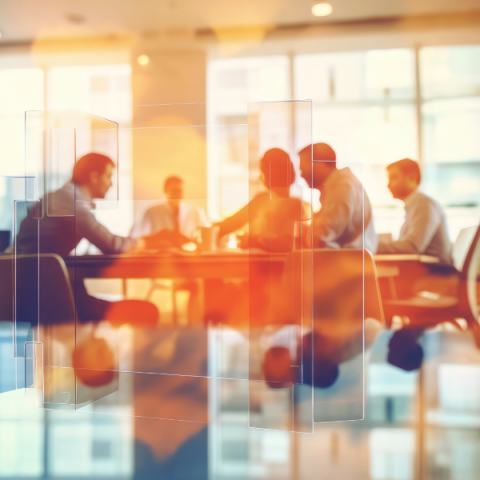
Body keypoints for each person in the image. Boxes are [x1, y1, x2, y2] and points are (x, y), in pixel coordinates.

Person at [17, 152, 160, 325]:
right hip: (47, 297)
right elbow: (113, 245)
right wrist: (151, 240)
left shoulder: (63, 197)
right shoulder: (70, 200)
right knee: (147, 311)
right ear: (94, 177)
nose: (111, 183)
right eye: (108, 176)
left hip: (38, 290)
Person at [217, 148, 303, 252]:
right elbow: (230, 224)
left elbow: (288, 244)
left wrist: (255, 241)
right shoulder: (262, 200)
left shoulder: (294, 205)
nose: (260, 177)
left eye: (262, 171)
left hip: (276, 265)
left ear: (271, 173)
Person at [298, 143, 378, 252]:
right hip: (349, 260)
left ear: (317, 165)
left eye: (303, 169)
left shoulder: (342, 187)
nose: (301, 175)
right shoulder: (342, 184)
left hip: (349, 263)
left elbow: (322, 235)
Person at [377, 158, 452, 264]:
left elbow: (413, 247)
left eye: (393, 178)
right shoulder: (416, 205)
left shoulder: (424, 204)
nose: (388, 185)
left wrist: (373, 244)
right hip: (425, 271)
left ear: (412, 178)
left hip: (435, 273)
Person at [131, 175, 210, 243]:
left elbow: (208, 236)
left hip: (190, 257)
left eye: (180, 191)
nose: (178, 195)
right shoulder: (151, 212)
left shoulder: (196, 211)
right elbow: (137, 240)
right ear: (165, 190)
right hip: (159, 258)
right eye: (174, 191)